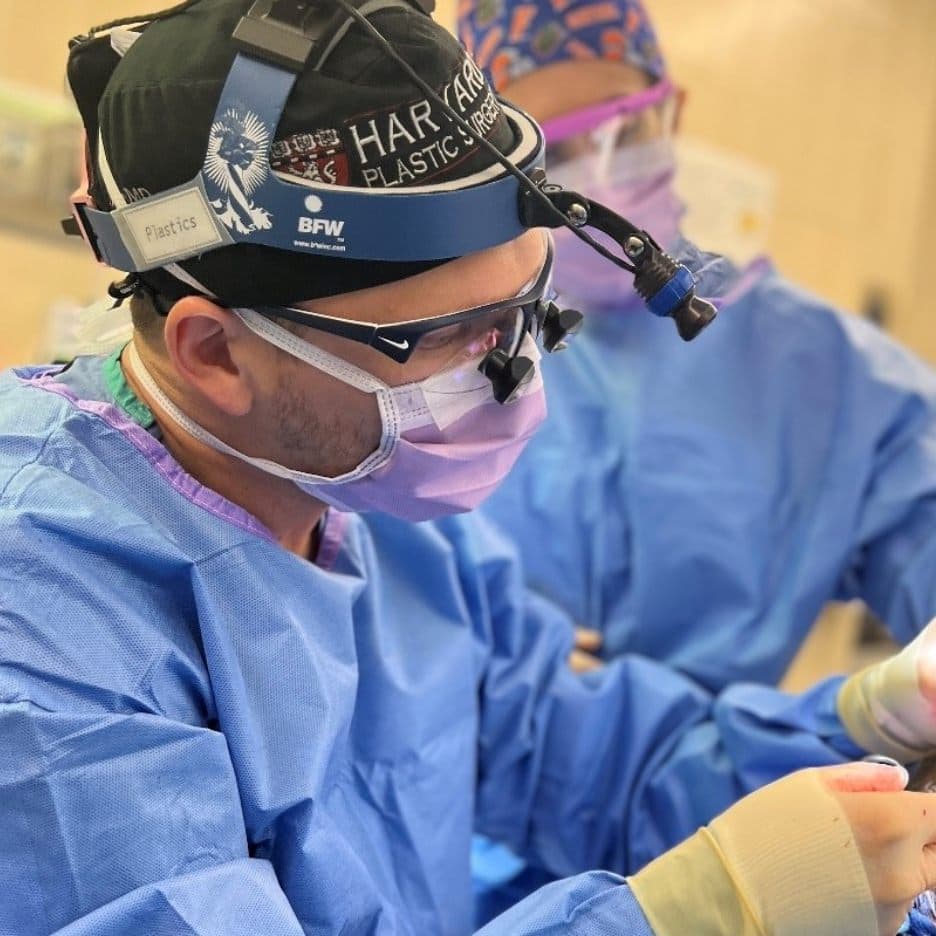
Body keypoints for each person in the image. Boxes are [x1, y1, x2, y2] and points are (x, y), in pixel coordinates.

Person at [3, 1, 936, 934]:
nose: (517, 375)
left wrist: (874, 722)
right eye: (451, 337)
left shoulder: (377, 519)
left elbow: (593, 762)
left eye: (530, 312)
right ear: (216, 354)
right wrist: (688, 915)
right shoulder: (44, 632)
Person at [458, 0, 936, 690]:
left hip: (737, 774)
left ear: (672, 112)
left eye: (628, 128)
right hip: (488, 774)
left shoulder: (809, 365)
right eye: (555, 151)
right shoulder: (452, 349)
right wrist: (487, 655)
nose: (600, 175)